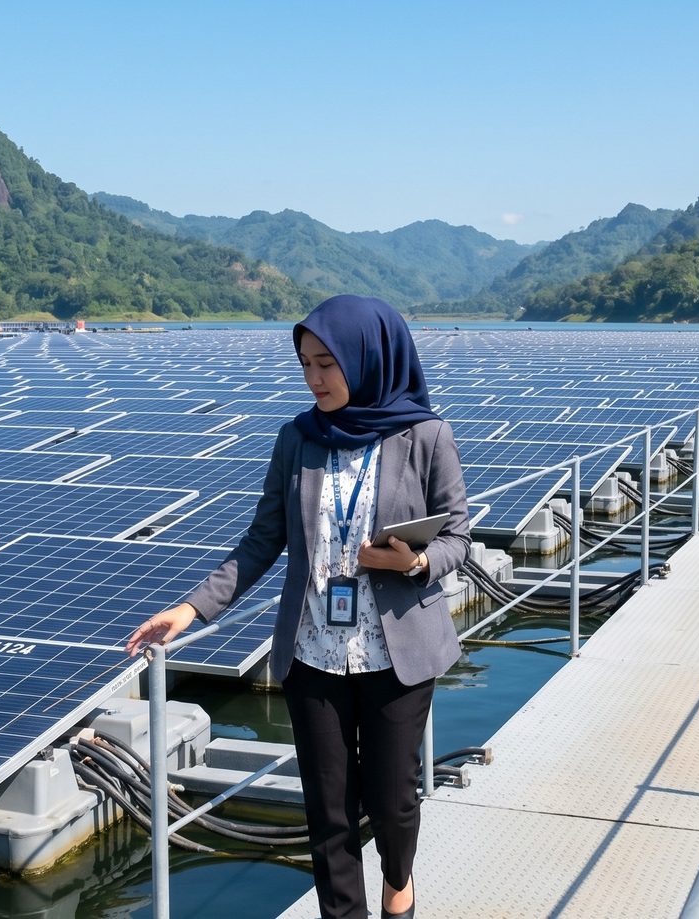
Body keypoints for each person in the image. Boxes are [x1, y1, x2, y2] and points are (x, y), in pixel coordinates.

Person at [126, 294, 470, 919]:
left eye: (326, 365)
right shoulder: (297, 439)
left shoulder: (426, 436)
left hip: (396, 655)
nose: (313, 379)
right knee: (329, 813)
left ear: (369, 360)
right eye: (305, 364)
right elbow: (264, 538)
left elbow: (458, 539)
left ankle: (399, 883)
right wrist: (192, 609)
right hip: (314, 654)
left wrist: (414, 563)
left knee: (394, 800)